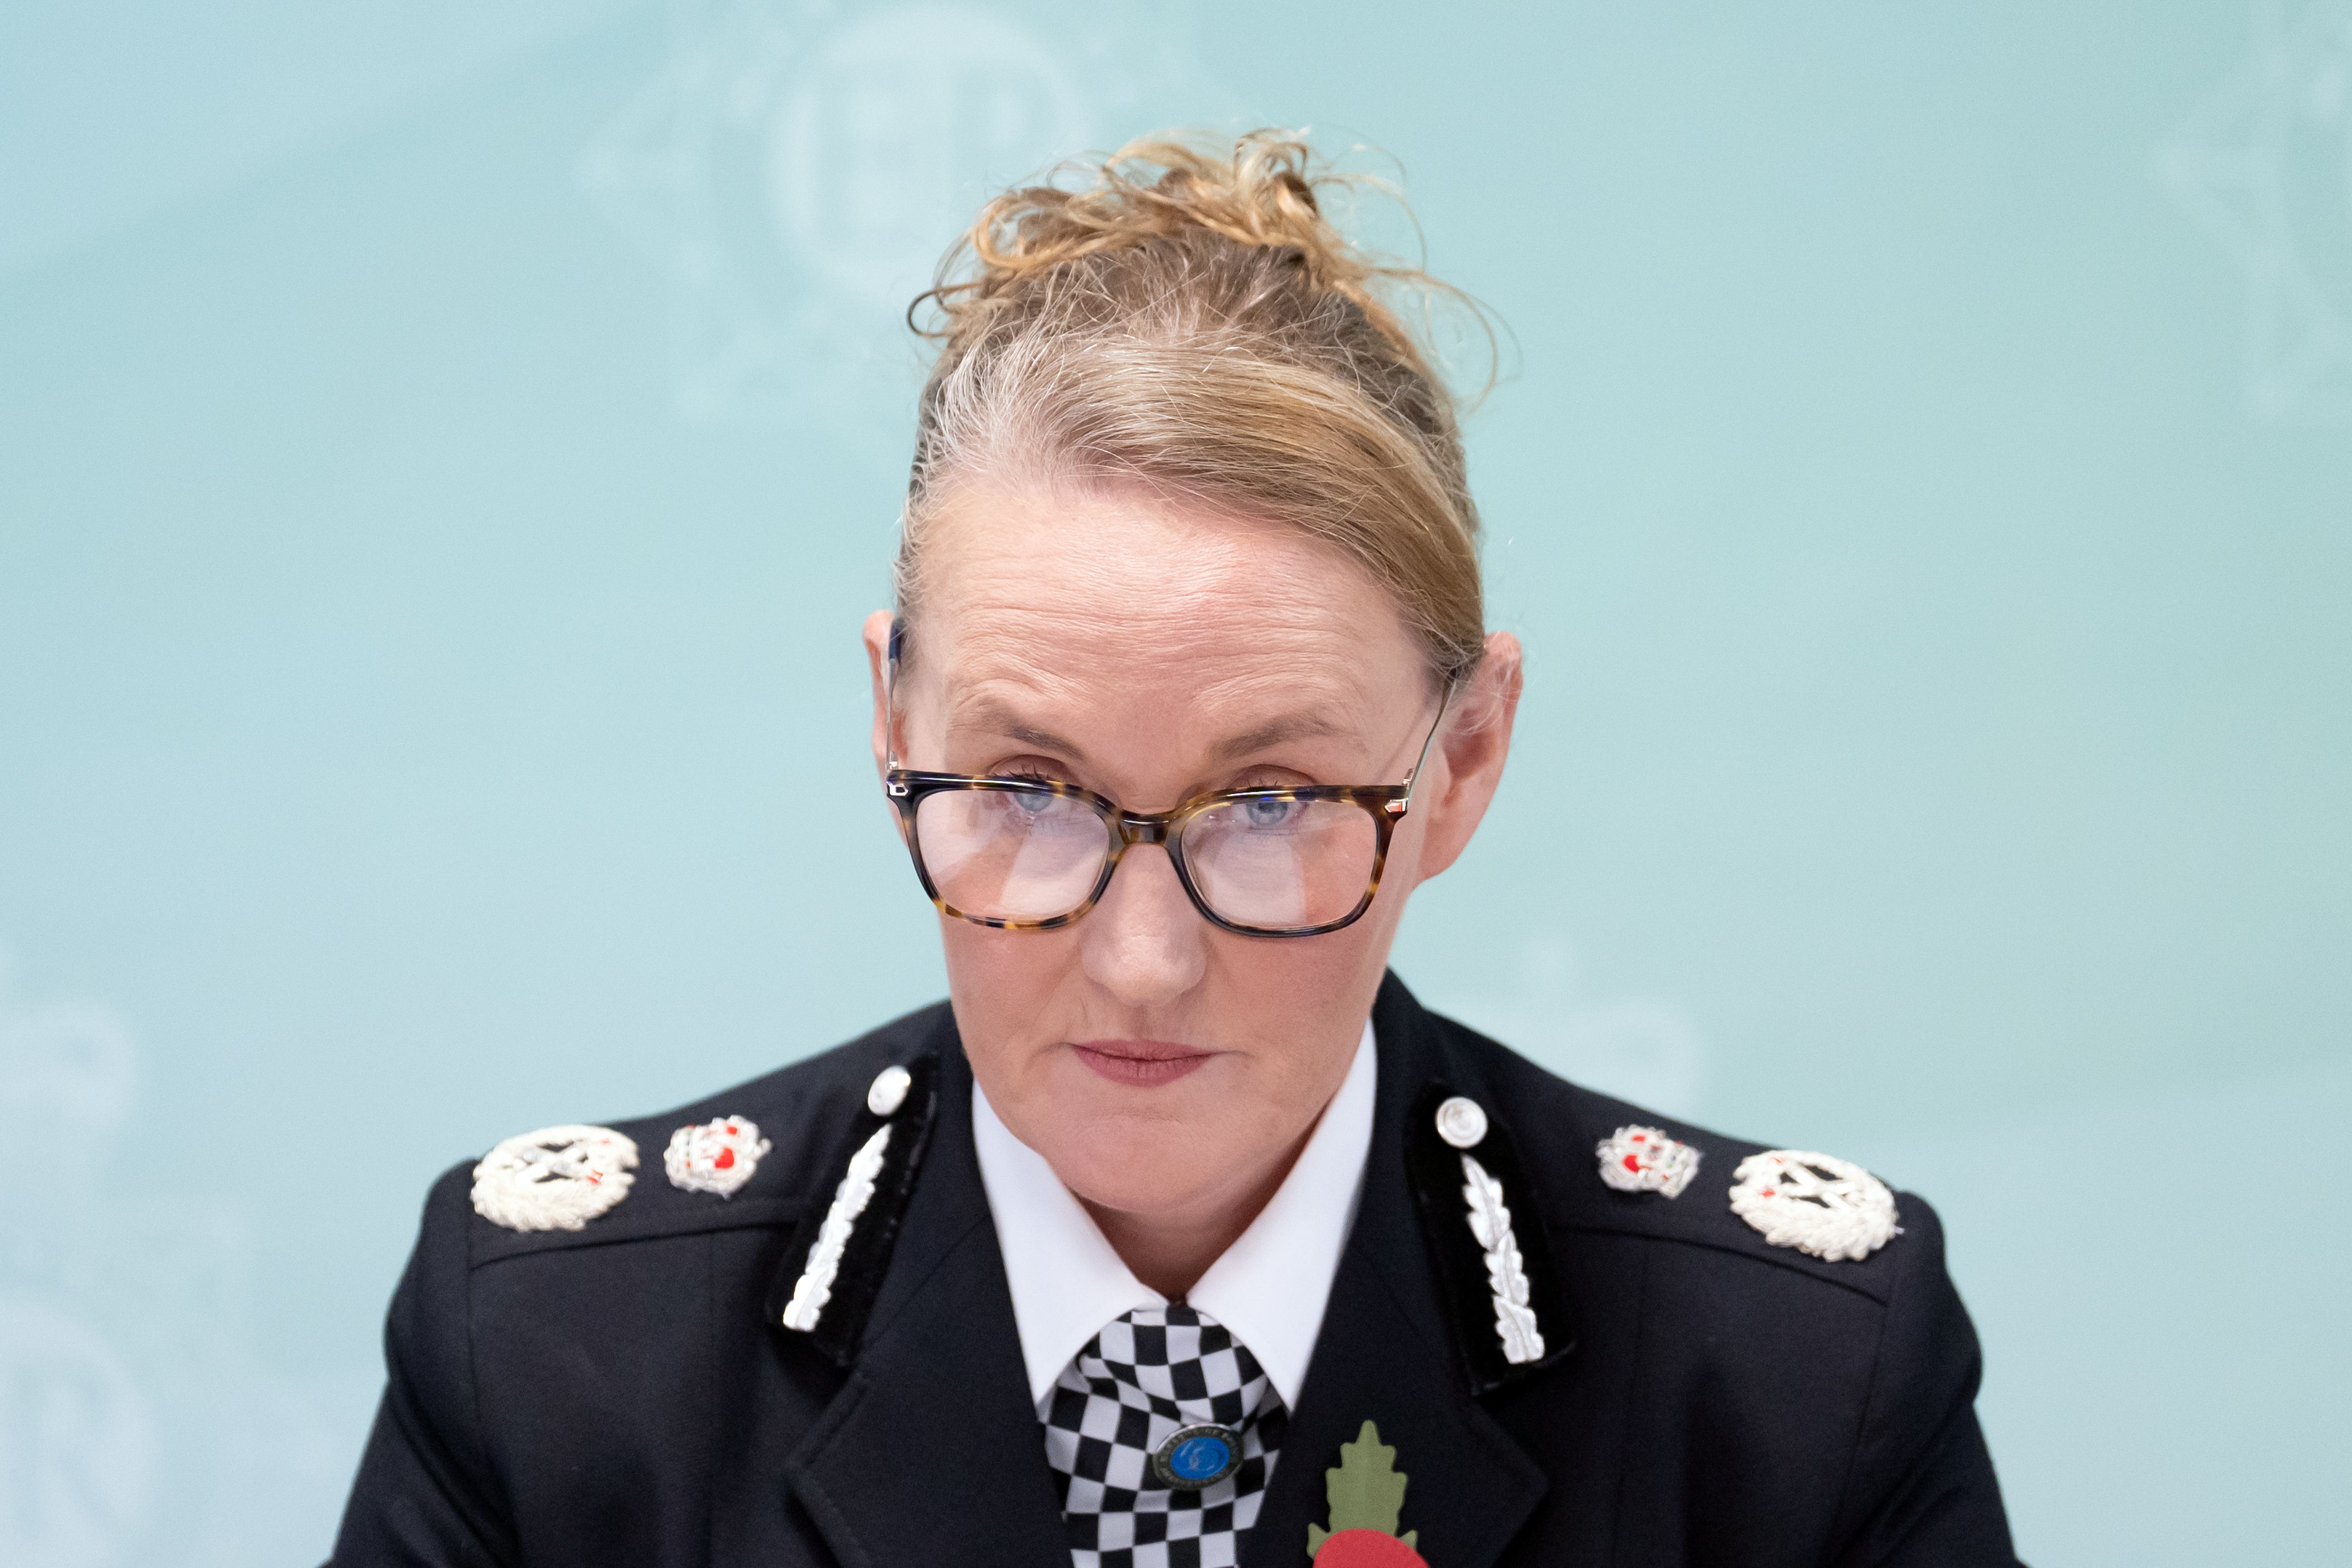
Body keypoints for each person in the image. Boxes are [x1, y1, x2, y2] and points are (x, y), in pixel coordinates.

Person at [331, 132, 2020, 1568]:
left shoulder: (1797, 1388)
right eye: (1030, 788)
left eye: (1271, 805)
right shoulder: (557, 1366)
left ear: (1466, 759)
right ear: (892, 724)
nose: (1142, 959)